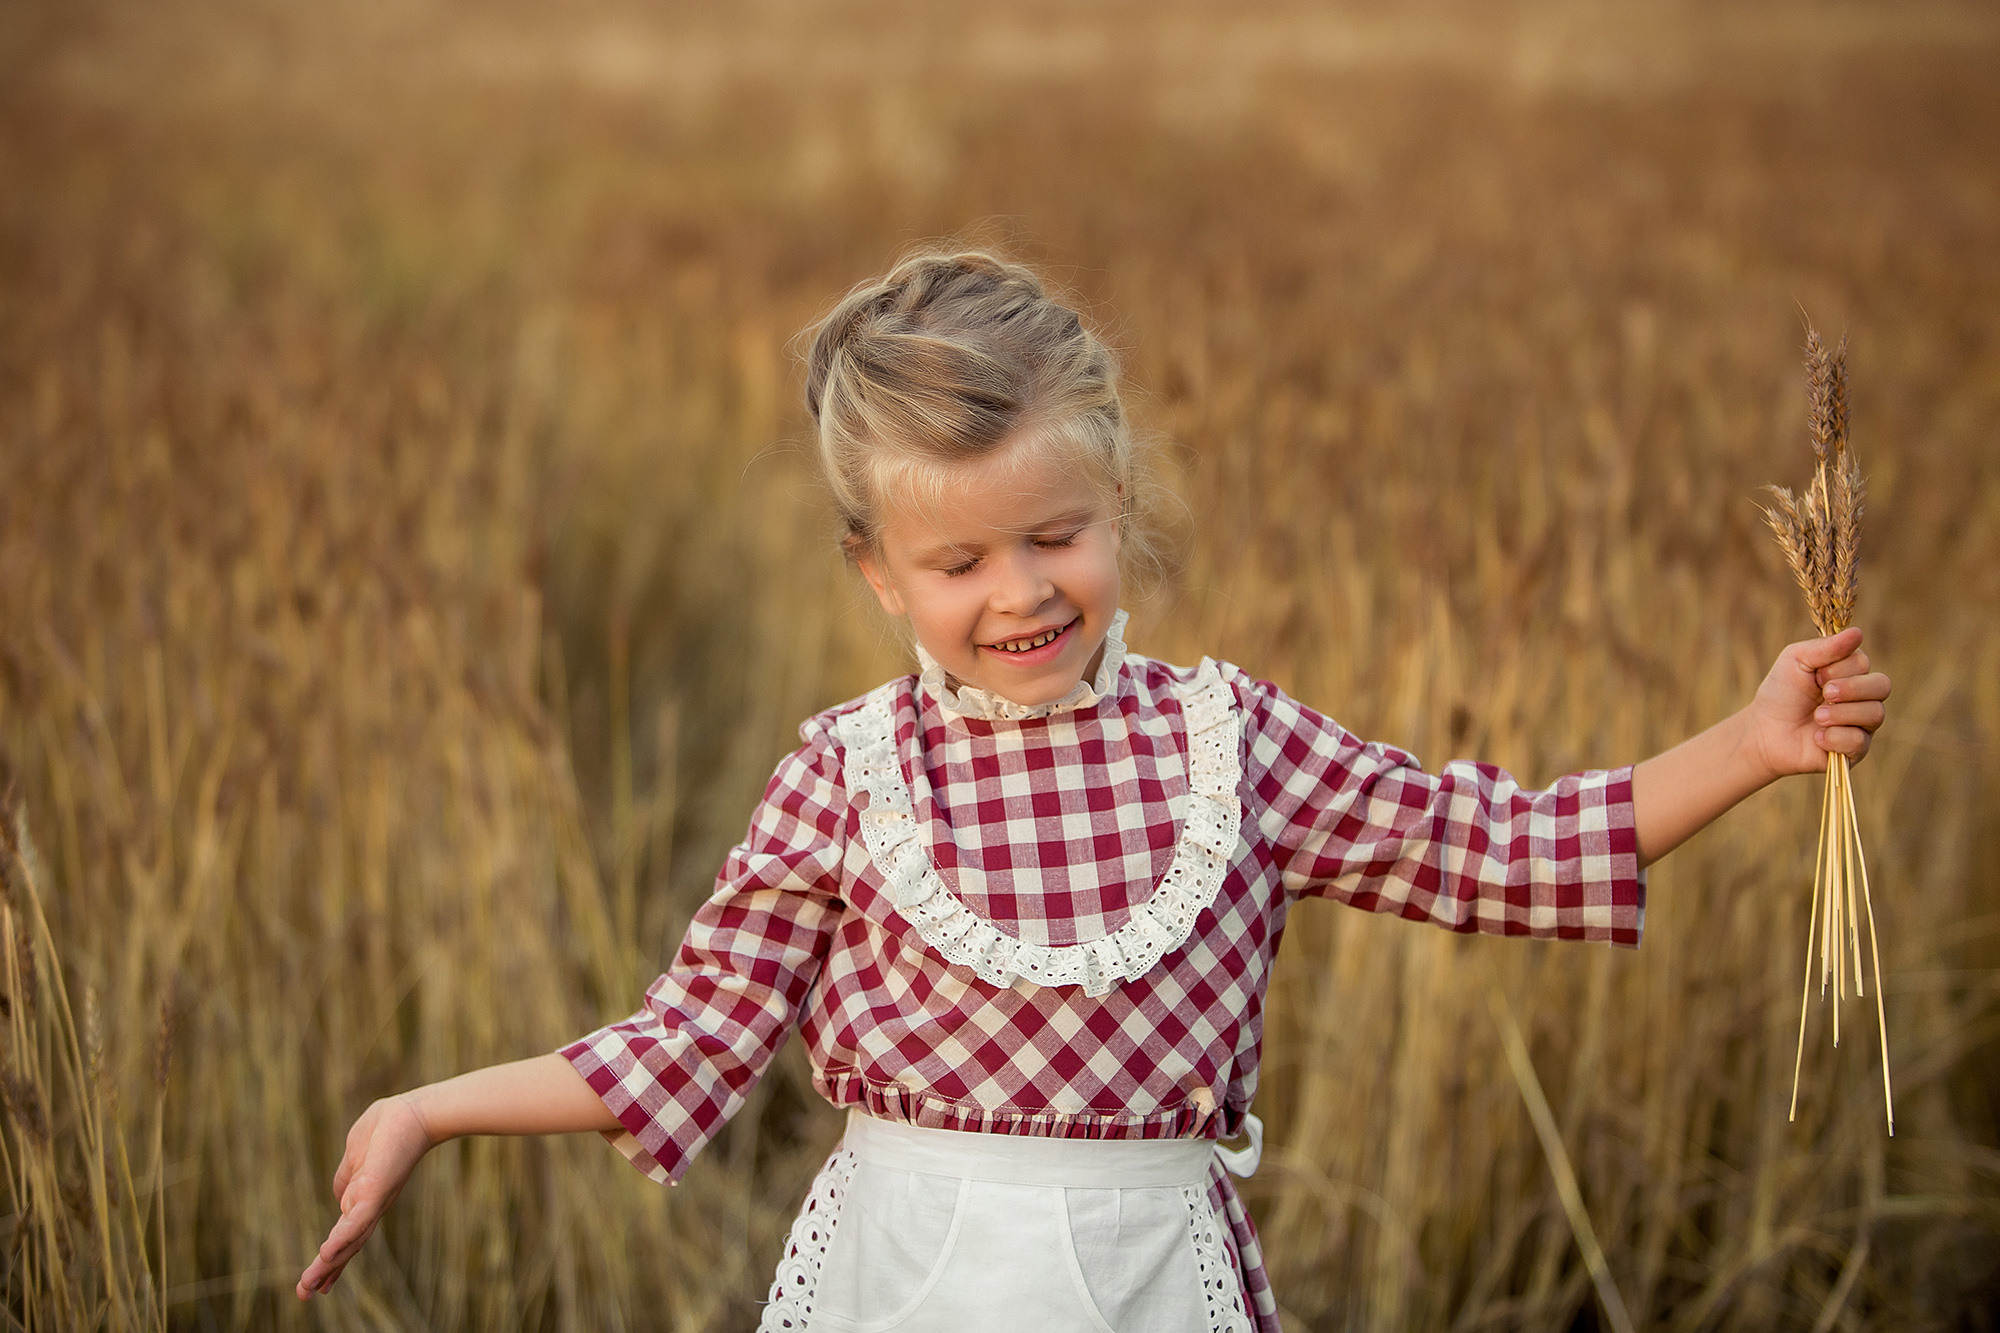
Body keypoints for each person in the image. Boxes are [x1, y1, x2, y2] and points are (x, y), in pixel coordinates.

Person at [295, 250, 1891, 1331]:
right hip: (904, 1279)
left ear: (1117, 496)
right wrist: (430, 1106)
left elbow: (1499, 847)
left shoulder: (1233, 747)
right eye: (960, 558)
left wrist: (1752, 745)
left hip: (1152, 1275)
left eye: (1057, 533)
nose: (1020, 592)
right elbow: (683, 1040)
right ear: (875, 572)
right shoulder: (846, 777)